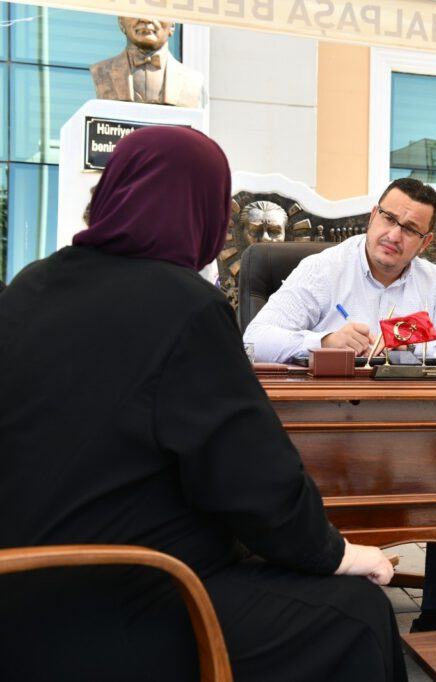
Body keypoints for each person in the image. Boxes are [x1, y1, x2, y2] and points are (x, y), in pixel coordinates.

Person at [0, 126, 407, 681]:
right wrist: (337, 553)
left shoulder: (29, 286)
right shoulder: (184, 305)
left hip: (20, 592)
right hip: (122, 601)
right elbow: (253, 479)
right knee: (355, 614)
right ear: (202, 212)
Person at [244, 176, 436, 632]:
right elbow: (256, 337)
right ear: (373, 216)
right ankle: (328, 590)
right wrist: (324, 340)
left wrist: (418, 347)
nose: (394, 234)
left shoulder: (433, 282)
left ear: (425, 242)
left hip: (410, 433)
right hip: (332, 432)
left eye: (410, 229)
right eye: (389, 219)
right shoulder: (325, 269)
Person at [91, 16, 204, 107]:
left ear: (173, 24)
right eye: (136, 10)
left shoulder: (192, 80)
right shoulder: (101, 72)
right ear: (121, 22)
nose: (146, 19)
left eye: (157, 11)